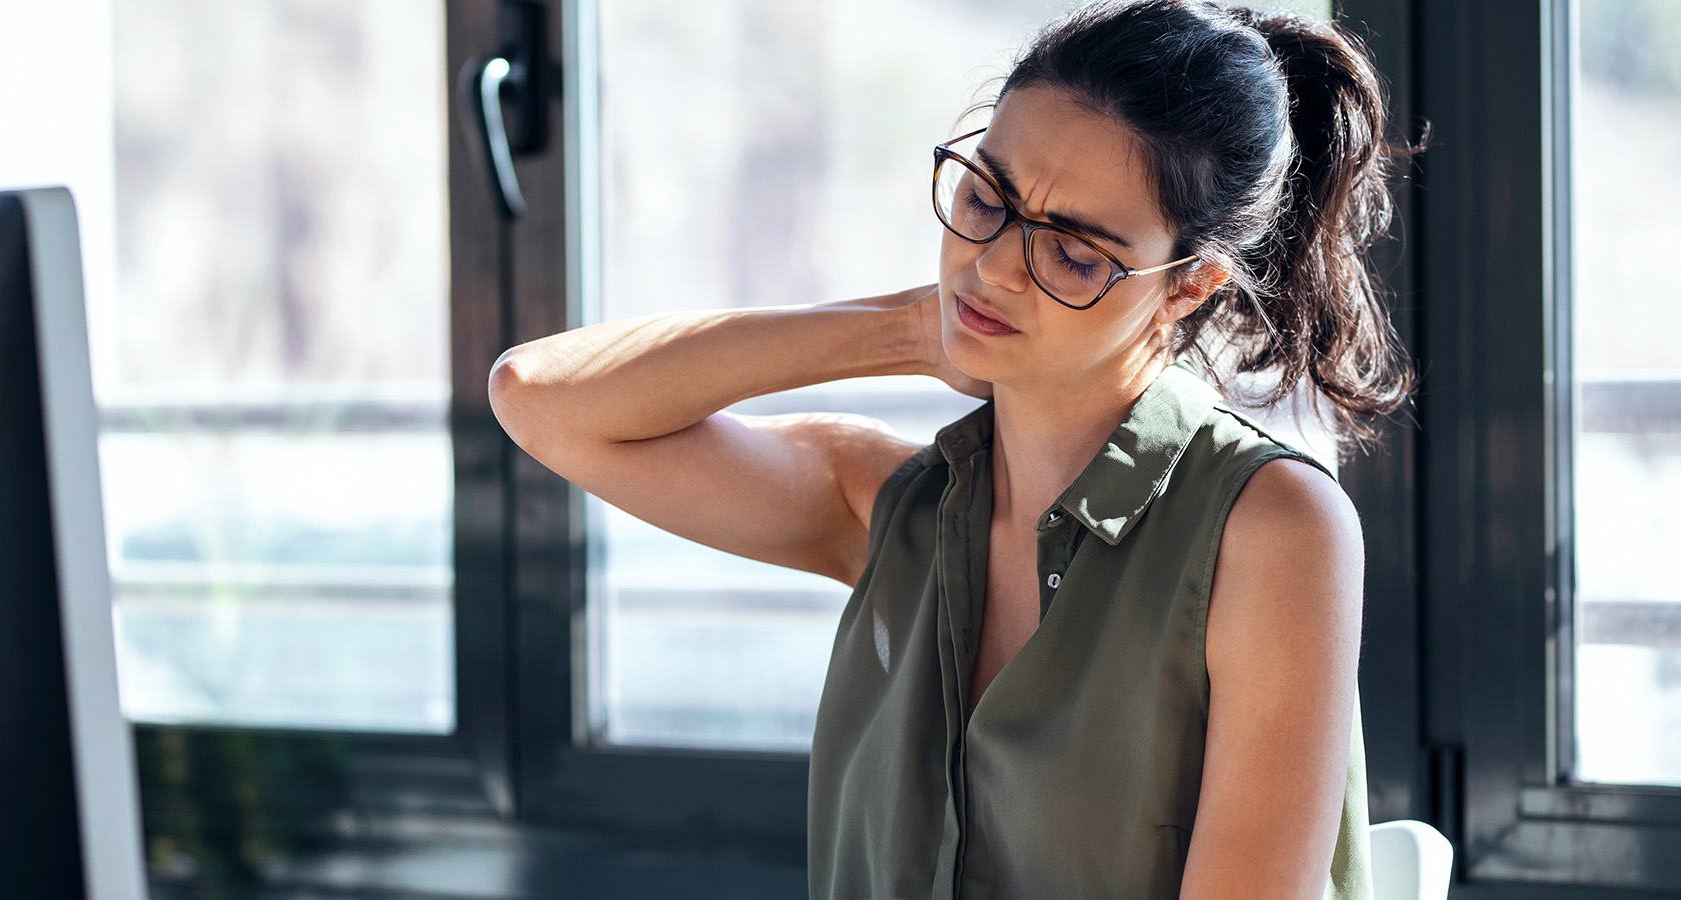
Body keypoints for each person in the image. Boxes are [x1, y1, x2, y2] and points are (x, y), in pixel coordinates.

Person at [489, 0, 1417, 896]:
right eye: (985, 198)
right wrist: (906, 330)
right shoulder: (888, 503)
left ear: (1188, 287)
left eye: (1075, 255)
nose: (995, 267)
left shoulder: (1272, 530)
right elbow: (543, 402)